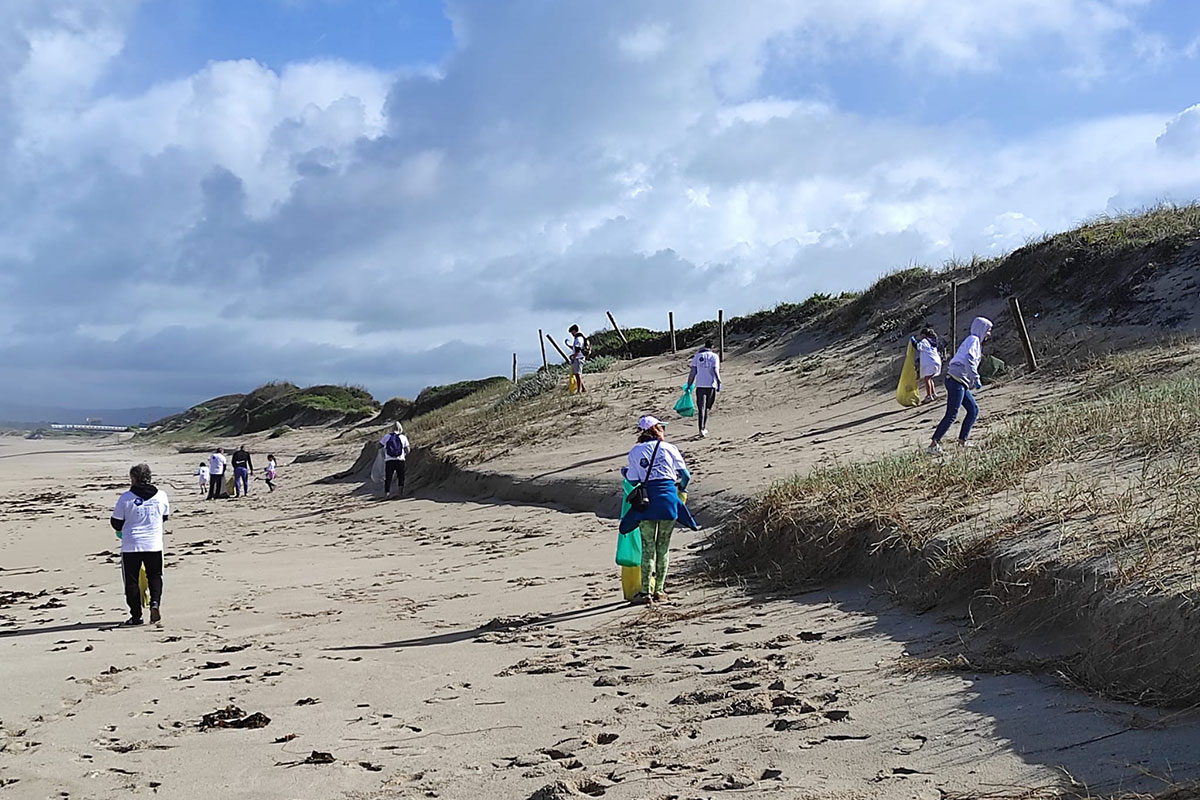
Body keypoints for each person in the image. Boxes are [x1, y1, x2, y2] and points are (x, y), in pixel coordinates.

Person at [619, 416, 700, 605]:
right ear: (657, 429)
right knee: (663, 547)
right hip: (669, 500)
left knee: (648, 548)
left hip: (647, 502)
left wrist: (625, 473)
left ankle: (645, 592)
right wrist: (681, 489)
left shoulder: (635, 451)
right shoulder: (670, 448)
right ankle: (660, 591)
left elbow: (632, 480)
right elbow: (685, 475)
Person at [109, 463, 169, 626]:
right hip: (153, 544)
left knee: (131, 581)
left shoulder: (126, 498)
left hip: (131, 546)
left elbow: (116, 522)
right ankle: (155, 603)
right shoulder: (161, 496)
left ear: (133, 479)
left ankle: (136, 616)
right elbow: (164, 516)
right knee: (155, 576)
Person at [928, 317, 993, 455]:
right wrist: (976, 378)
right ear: (981, 329)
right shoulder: (973, 340)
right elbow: (969, 359)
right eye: (988, 330)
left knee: (973, 409)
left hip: (960, 381)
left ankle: (962, 442)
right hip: (955, 380)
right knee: (952, 414)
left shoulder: (975, 342)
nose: (989, 334)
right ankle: (934, 444)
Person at [686, 340, 722, 438]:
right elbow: (715, 369)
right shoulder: (714, 356)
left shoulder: (697, 357)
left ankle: (701, 428)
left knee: (702, 407)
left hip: (700, 385)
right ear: (712, 347)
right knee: (706, 407)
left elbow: (693, 372)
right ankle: (702, 428)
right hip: (711, 385)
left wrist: (689, 384)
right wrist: (719, 381)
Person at [378, 422, 411, 499]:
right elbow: (408, 450)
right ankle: (400, 493)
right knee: (401, 476)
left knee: (388, 477)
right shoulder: (403, 437)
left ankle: (387, 494)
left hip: (389, 460)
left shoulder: (387, 436)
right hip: (400, 459)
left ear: (392, 429)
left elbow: (379, 446)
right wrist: (404, 455)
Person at [914, 328, 942, 404]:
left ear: (923, 335)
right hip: (936, 361)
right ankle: (934, 394)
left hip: (930, 362)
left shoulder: (925, 341)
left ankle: (929, 396)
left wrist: (913, 341)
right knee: (930, 378)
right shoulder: (933, 341)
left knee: (927, 379)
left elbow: (918, 347)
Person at [568, 324, 587, 394]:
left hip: (579, 358)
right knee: (576, 374)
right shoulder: (579, 338)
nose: (571, 334)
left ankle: (579, 390)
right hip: (579, 357)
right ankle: (583, 388)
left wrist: (573, 357)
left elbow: (578, 349)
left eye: (572, 332)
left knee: (578, 374)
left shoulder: (578, 338)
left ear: (574, 331)